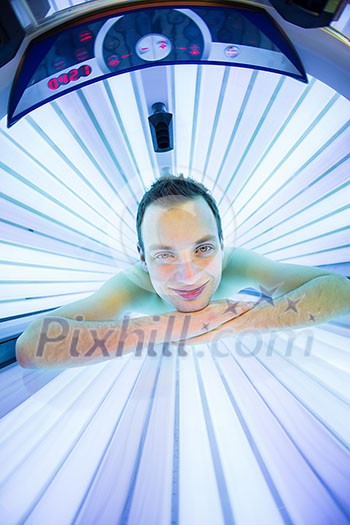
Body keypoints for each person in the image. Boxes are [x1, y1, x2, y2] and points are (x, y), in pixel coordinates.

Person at [16, 175, 350, 368]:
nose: (188, 276)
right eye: (164, 255)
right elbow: (32, 345)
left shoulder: (237, 262)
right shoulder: (129, 287)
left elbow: (339, 289)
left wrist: (233, 325)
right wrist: (184, 325)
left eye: (203, 249)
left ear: (222, 246)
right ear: (143, 260)